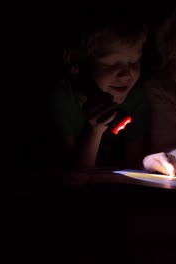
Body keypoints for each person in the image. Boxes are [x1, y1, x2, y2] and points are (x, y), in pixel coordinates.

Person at [50, 9, 153, 170]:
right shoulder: (62, 100)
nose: (127, 75)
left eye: (134, 62)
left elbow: (135, 163)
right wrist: (95, 129)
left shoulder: (137, 99)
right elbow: (73, 174)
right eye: (112, 64)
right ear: (74, 60)